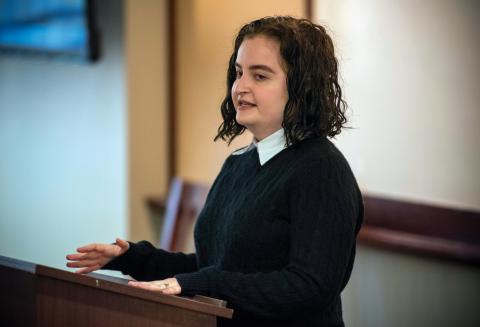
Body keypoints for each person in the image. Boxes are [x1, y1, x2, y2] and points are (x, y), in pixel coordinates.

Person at [66, 16, 363, 327]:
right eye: (238, 73)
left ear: (303, 87)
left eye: (260, 76)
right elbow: (215, 267)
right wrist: (130, 258)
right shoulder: (241, 161)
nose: (240, 87)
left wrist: (205, 282)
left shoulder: (322, 169)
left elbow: (309, 288)